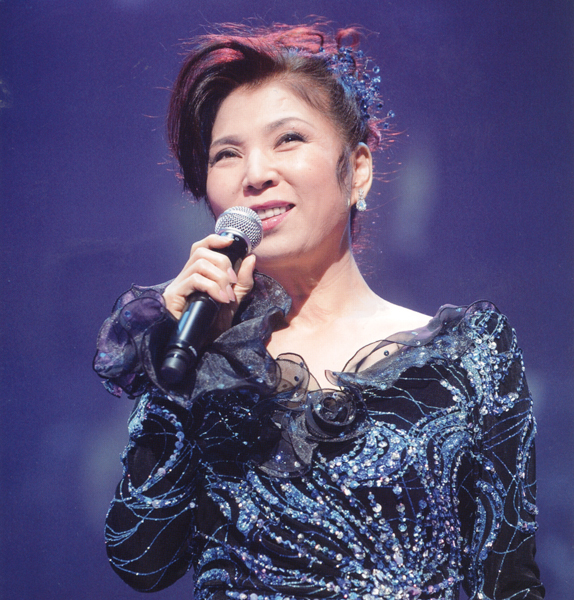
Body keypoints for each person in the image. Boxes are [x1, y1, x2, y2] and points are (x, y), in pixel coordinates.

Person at [94, 22, 544, 600]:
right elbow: (140, 558)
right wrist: (187, 364)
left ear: (357, 170)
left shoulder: (468, 356)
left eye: (288, 139)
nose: (256, 174)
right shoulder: (203, 360)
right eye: (227, 154)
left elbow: (511, 580)